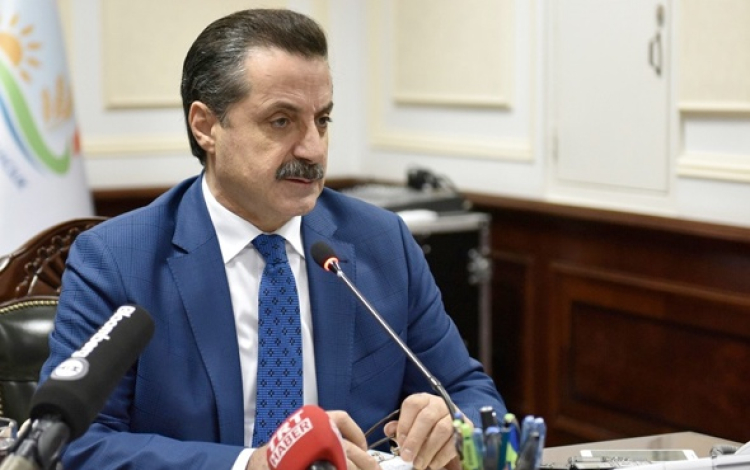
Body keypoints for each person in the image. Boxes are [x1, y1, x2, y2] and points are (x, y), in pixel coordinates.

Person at [38, 8, 506, 470]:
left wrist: (451, 426)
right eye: (281, 121)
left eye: (322, 120)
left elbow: (474, 396)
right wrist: (253, 464)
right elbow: (77, 445)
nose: (313, 149)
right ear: (205, 126)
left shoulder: (381, 243)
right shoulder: (117, 260)